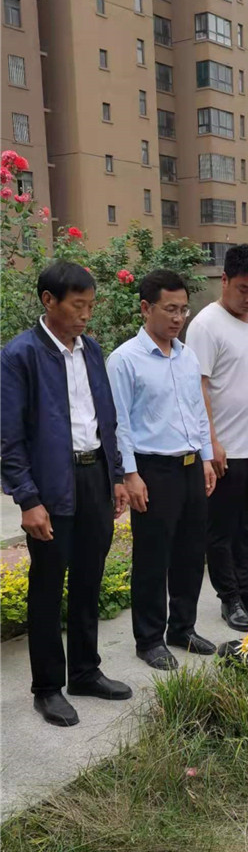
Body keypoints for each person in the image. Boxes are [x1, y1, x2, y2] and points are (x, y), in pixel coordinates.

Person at [1, 260, 132, 727]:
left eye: (91, 306)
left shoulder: (91, 350)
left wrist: (116, 476)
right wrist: (28, 499)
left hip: (94, 476)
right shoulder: (20, 355)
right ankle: (47, 688)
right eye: (78, 305)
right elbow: (9, 438)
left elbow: (105, 419)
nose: (86, 315)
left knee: (89, 578)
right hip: (51, 484)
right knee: (48, 585)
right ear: (48, 301)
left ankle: (84, 671)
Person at [107, 269, 216, 671]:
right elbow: (118, 423)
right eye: (170, 309)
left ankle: (182, 628)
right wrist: (130, 474)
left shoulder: (187, 356)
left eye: (183, 309)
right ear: (145, 308)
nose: (178, 317)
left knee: (191, 552)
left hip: (190, 466)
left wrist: (206, 457)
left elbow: (198, 411)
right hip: (153, 470)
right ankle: (149, 639)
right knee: (153, 557)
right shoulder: (124, 360)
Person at [186, 244, 248, 631]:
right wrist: (211, 443)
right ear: (224, 280)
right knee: (222, 529)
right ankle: (229, 598)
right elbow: (199, 387)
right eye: (244, 289)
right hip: (226, 448)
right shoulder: (206, 325)